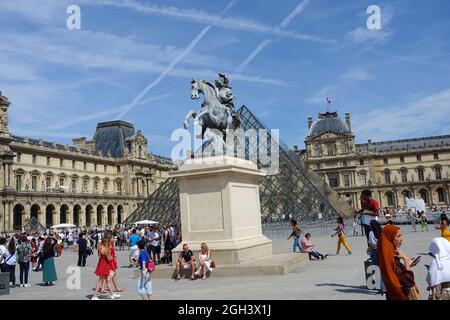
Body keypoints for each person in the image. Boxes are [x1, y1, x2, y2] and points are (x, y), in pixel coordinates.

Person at [377, 225, 420, 300]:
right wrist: (406, 260)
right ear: (390, 237)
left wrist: (407, 264)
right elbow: (409, 282)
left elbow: (398, 274)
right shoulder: (391, 259)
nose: (401, 239)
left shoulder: (386, 255)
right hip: (400, 296)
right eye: (398, 236)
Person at [367, 220, 385, 295]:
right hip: (381, 252)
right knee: (383, 270)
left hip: (374, 252)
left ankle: (381, 288)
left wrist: (368, 250)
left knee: (377, 270)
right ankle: (384, 288)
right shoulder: (382, 231)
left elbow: (372, 245)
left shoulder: (371, 233)